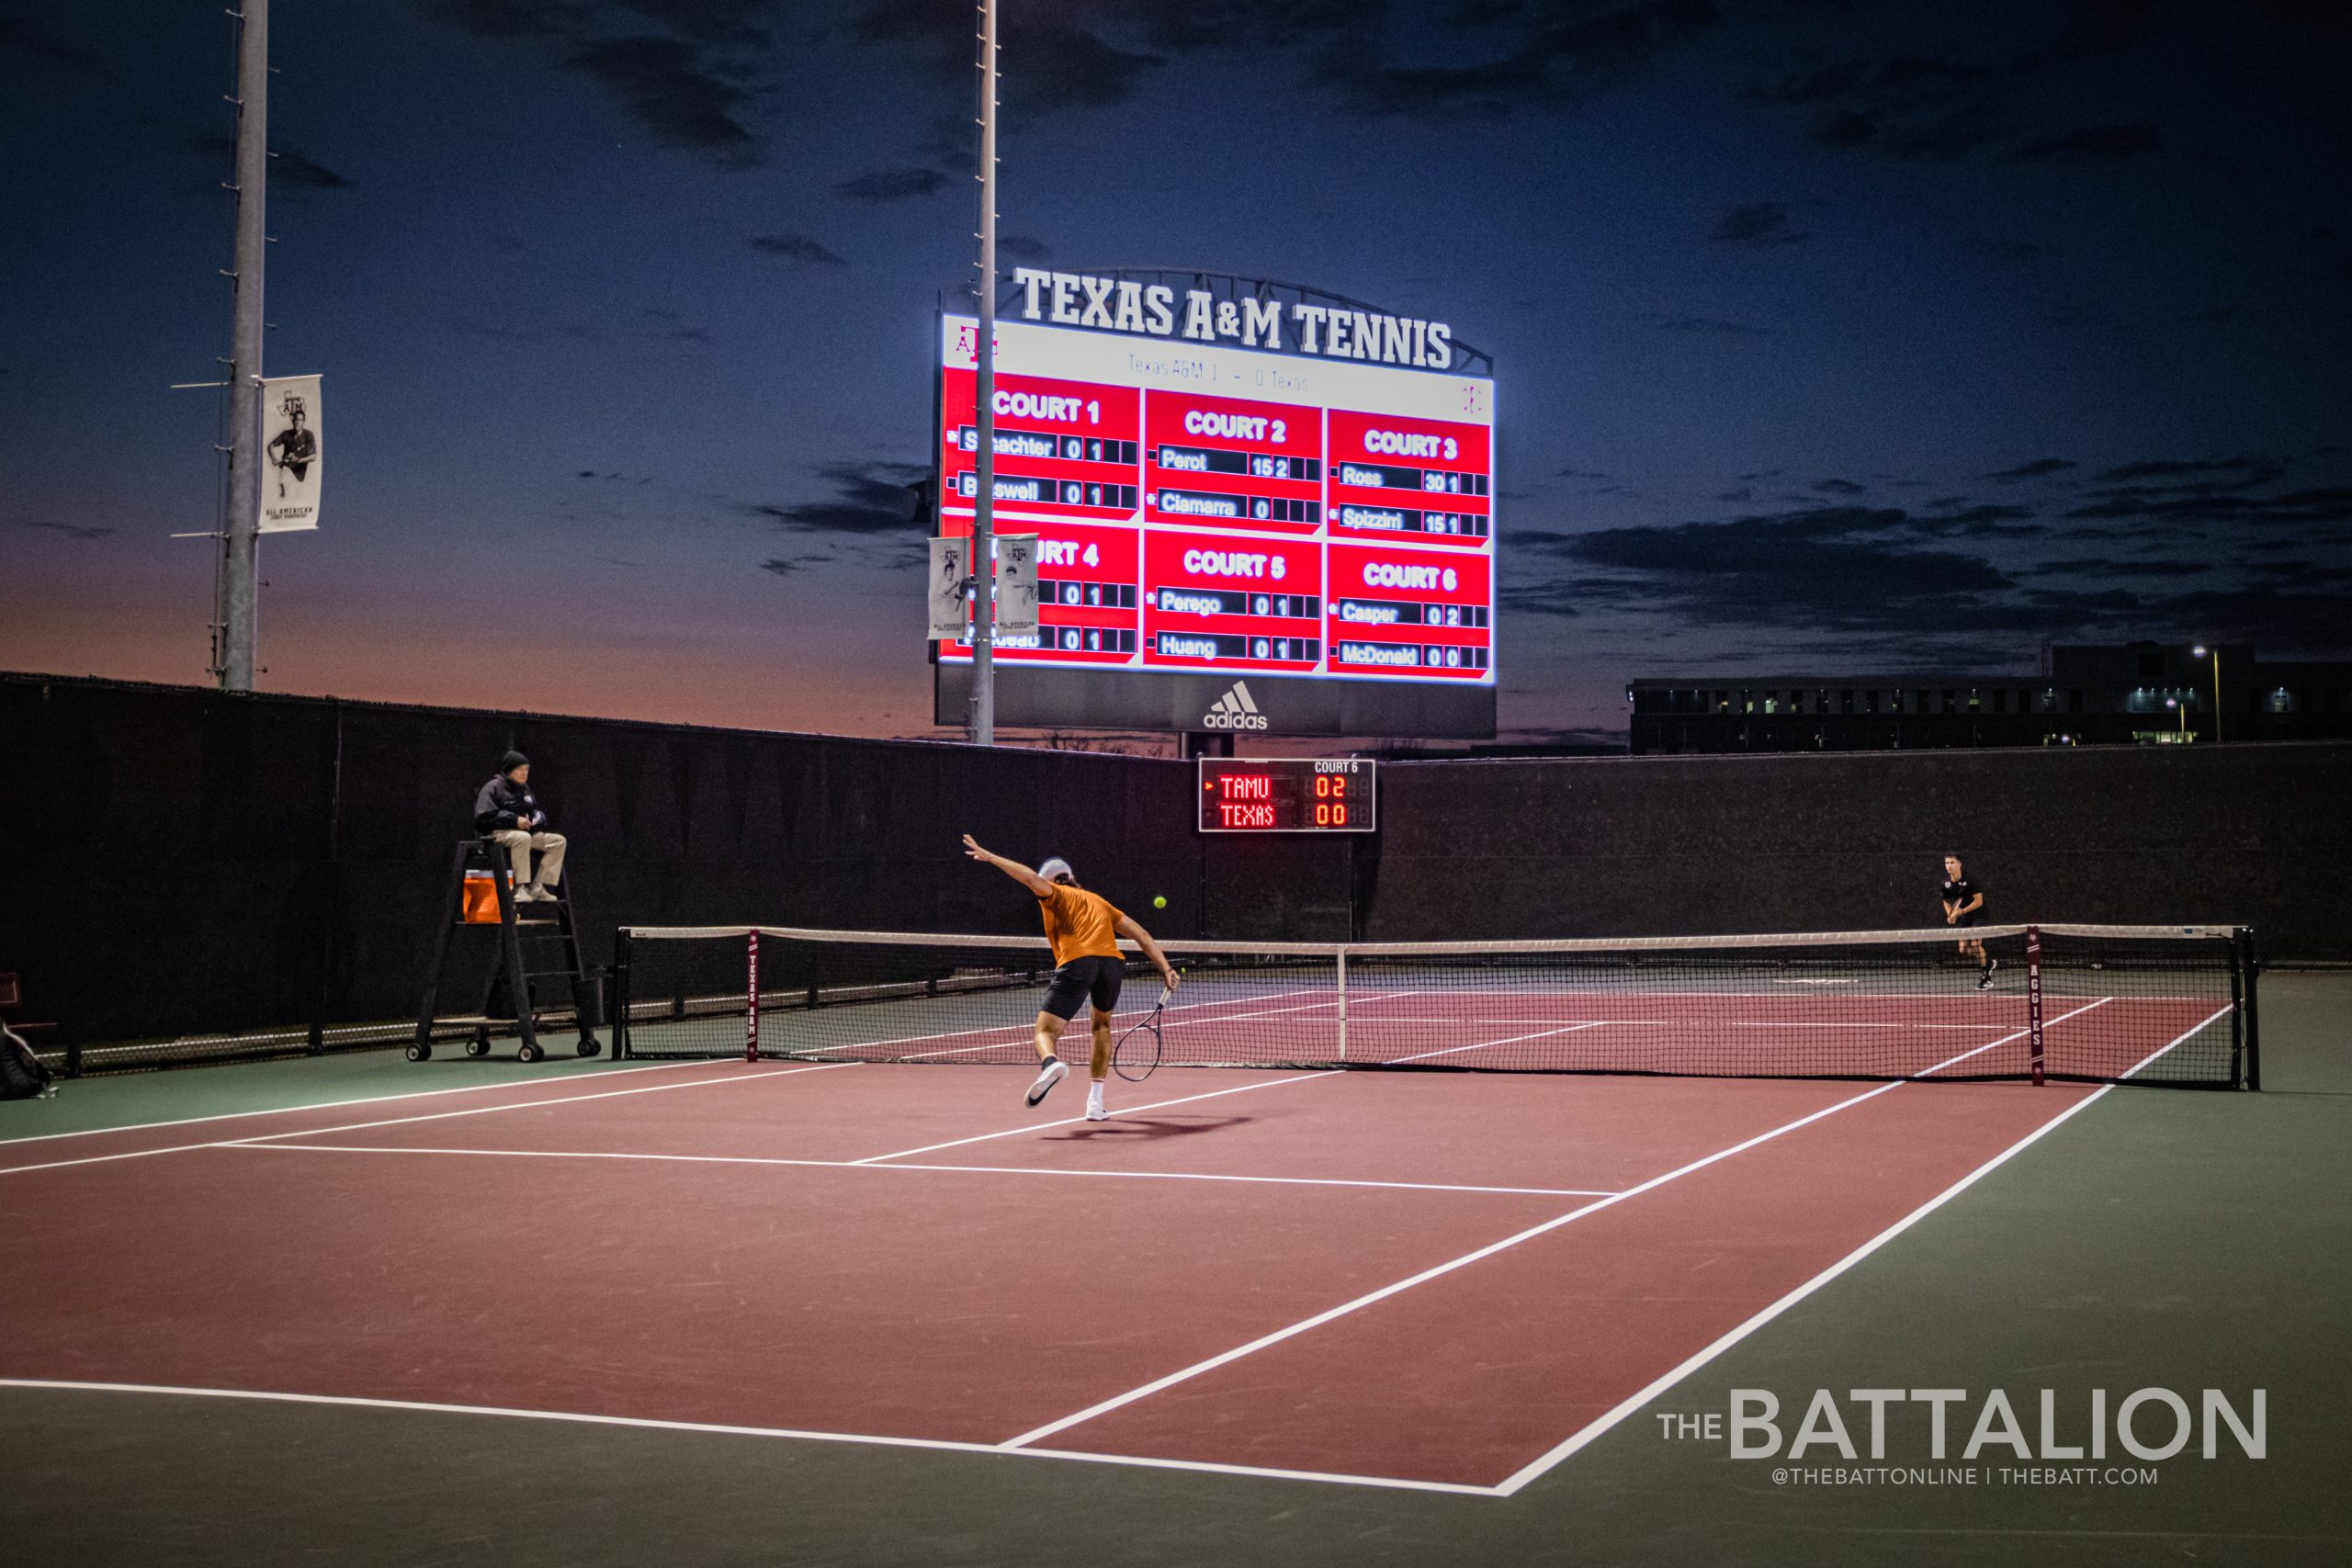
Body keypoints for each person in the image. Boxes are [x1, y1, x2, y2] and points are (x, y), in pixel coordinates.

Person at [961, 834, 1180, 1122]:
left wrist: (991, 857)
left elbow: (1028, 878)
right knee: (1101, 1027)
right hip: (1112, 965)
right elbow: (1141, 935)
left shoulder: (1054, 893)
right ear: (1072, 877)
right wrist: (1166, 969)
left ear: (1050, 881)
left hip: (1079, 961)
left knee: (1045, 1032)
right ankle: (1095, 1103)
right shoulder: (1099, 901)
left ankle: (1050, 1063)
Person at [475, 751, 566, 904]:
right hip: (497, 833)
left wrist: (539, 817)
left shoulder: (524, 788)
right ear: (510, 770)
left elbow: (533, 809)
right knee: (523, 838)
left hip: (524, 834)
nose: (524, 773)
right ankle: (519, 888)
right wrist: (515, 820)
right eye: (520, 769)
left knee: (558, 841)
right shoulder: (493, 787)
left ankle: (538, 886)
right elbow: (484, 816)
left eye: (527, 769)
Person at [1940, 853, 1996, 989]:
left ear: (1959, 864)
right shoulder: (1946, 883)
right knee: (1963, 950)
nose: (1949, 866)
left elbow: (1979, 902)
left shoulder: (1970, 880)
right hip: (1964, 918)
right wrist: (1950, 914)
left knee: (1976, 944)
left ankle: (1986, 977)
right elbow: (1946, 901)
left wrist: (1962, 911)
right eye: (1947, 863)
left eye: (1952, 863)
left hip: (1979, 915)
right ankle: (1988, 962)